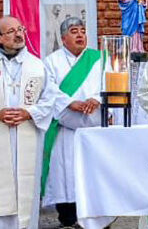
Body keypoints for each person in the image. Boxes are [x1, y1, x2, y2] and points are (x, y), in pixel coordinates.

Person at [42, 17, 106, 228]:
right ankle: (68, 219)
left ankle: (96, 219)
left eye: (82, 30)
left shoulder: (99, 59)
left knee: (92, 174)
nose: (80, 35)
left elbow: (110, 82)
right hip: (65, 129)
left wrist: (96, 98)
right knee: (64, 174)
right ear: (63, 38)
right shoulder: (51, 61)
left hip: (93, 127)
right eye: (74, 31)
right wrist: (70, 103)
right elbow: (48, 90)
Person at [0, 16, 52, 229]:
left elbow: (50, 100)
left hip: (27, 133)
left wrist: (29, 112)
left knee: (26, 192)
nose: (19, 33)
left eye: (20, 29)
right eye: (11, 31)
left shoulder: (37, 65)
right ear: (1, 38)